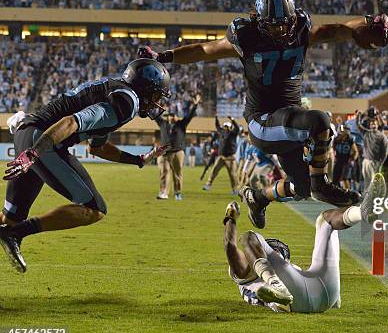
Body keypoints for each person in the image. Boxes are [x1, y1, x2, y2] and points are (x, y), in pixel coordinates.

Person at [138, 0, 388, 228]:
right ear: (259, 21)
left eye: (285, 23)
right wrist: (163, 56)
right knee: (321, 122)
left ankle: (259, 198)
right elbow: (205, 49)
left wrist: (368, 23)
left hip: (290, 120)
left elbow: (338, 29)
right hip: (263, 121)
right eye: (274, 24)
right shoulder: (247, 38)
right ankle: (321, 185)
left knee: (301, 188)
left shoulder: (301, 30)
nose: (281, 29)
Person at [0, 59, 170, 273]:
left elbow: (97, 148)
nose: (157, 103)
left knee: (10, 218)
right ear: (145, 88)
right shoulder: (127, 102)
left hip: (29, 133)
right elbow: (72, 122)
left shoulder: (115, 92)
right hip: (42, 141)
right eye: (156, 95)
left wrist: (137, 160)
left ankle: (13, 230)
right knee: (94, 208)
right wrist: (34, 154)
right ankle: (15, 234)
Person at [222, 173, 386, 312]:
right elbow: (230, 247)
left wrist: (231, 218)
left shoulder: (280, 268)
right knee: (248, 238)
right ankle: (276, 286)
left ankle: (362, 212)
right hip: (298, 298)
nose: (277, 252)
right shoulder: (247, 274)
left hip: (323, 293)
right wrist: (231, 220)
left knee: (325, 221)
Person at [156, 94, 201, 200]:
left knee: (177, 174)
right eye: (171, 115)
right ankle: (163, 193)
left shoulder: (181, 124)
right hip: (164, 152)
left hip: (177, 152)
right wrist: (157, 105)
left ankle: (177, 193)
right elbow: (156, 116)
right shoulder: (163, 124)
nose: (172, 117)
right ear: (168, 117)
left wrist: (195, 105)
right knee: (164, 172)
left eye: (174, 115)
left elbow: (189, 116)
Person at [203, 116, 240, 193]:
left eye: (227, 126)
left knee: (232, 174)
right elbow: (217, 126)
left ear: (230, 127)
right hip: (221, 156)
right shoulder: (221, 132)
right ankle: (208, 185)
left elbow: (237, 128)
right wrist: (216, 118)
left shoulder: (233, 133)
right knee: (214, 171)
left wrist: (232, 120)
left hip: (230, 157)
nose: (225, 128)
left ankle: (235, 189)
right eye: (225, 126)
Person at [356, 110, 388, 188]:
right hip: (366, 161)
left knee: (374, 184)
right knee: (366, 183)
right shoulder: (366, 133)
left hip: (375, 162)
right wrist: (358, 116)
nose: (373, 125)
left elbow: (385, 152)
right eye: (371, 124)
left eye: (375, 124)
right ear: (369, 126)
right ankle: (367, 198)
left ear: (377, 125)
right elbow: (358, 125)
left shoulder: (382, 136)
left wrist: (380, 163)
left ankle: (375, 199)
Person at [331, 124, 358, 190]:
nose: (344, 131)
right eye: (343, 130)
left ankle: (347, 193)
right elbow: (332, 149)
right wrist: (334, 157)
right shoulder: (336, 139)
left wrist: (352, 159)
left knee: (344, 178)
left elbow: (356, 151)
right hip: (338, 160)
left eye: (346, 130)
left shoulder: (350, 139)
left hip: (346, 161)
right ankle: (335, 193)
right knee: (335, 178)